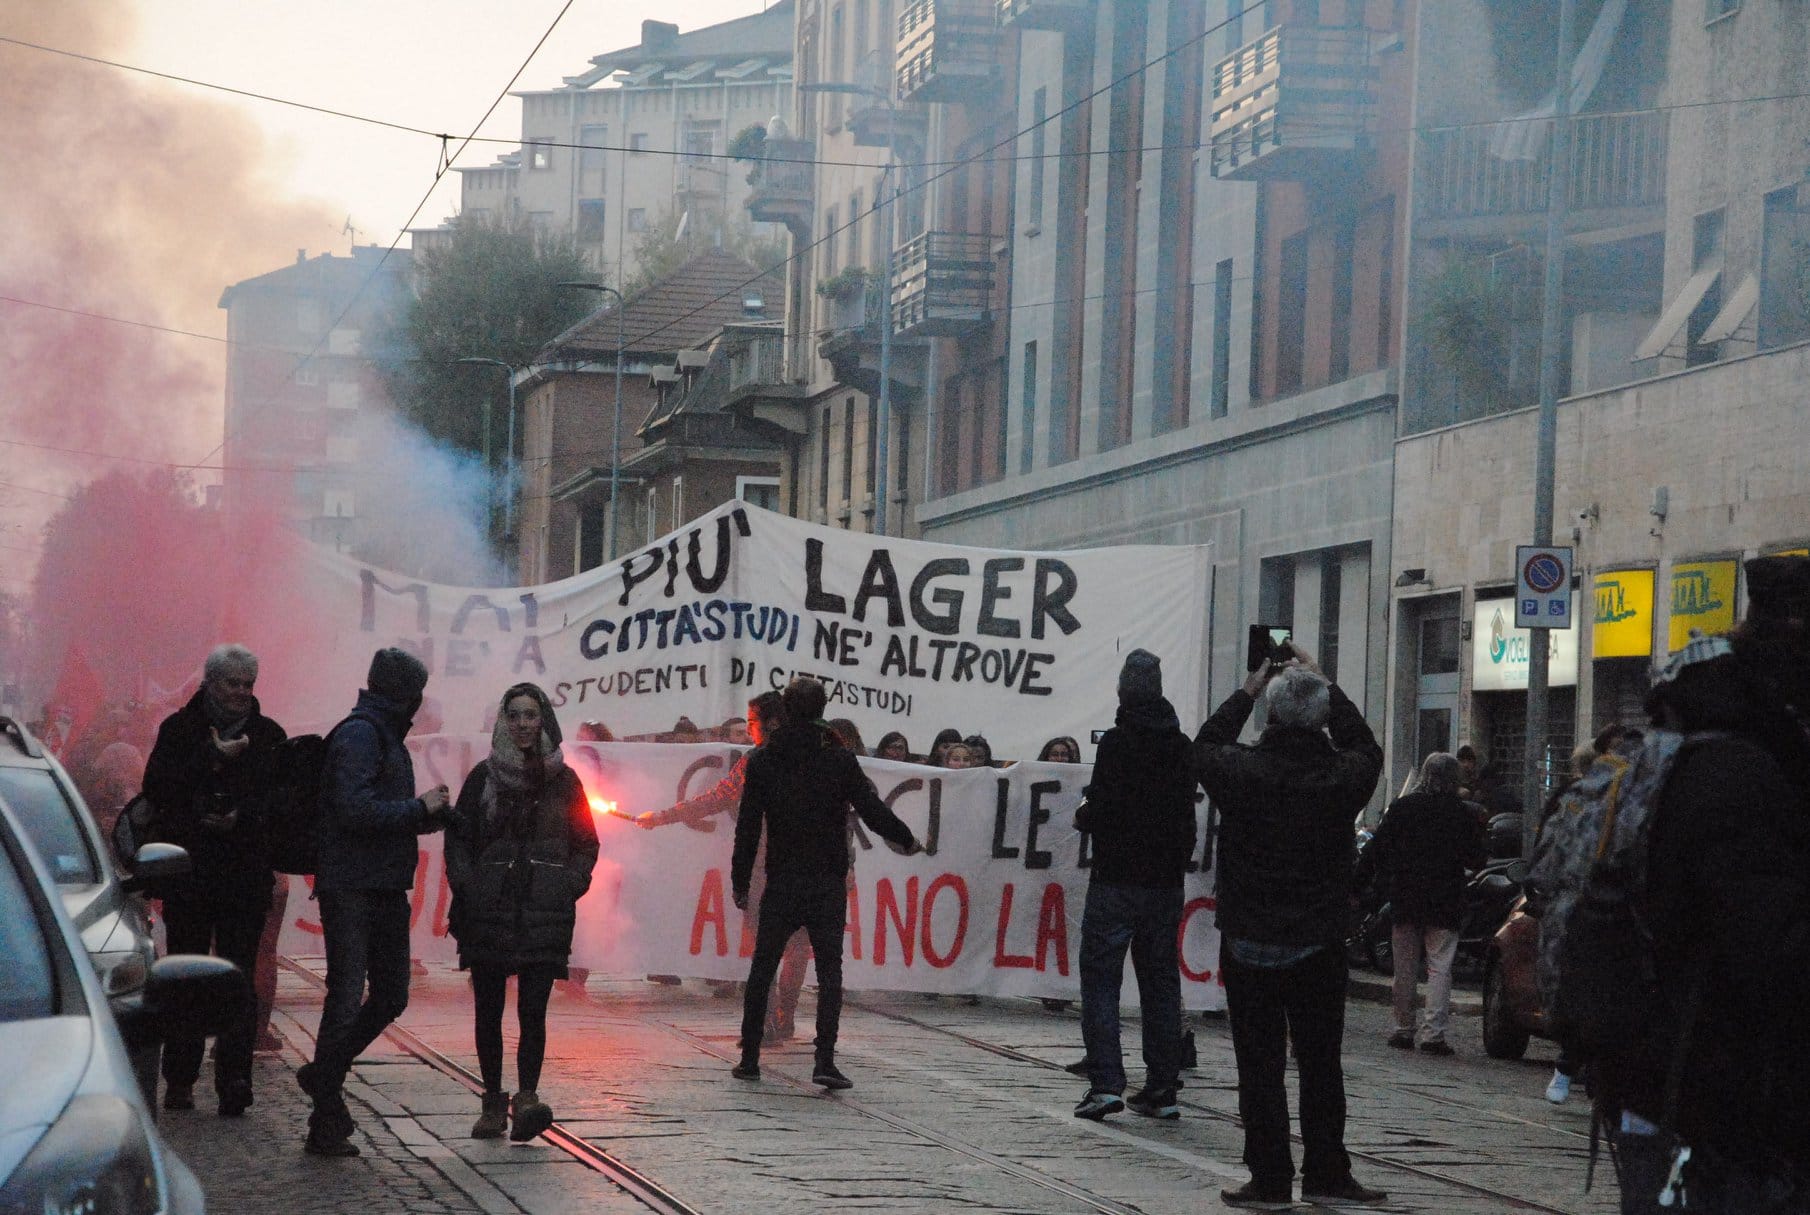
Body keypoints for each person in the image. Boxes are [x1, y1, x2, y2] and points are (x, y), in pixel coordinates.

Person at [1601, 556, 1810, 1214]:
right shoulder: (1746, 775)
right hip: (1723, 1102)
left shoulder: (1681, 755)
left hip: (1661, 1085)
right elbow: (1771, 951)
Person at [1196, 647, 1387, 1208]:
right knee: (1320, 1063)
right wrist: (1327, 682)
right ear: (1322, 717)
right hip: (1317, 940)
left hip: (1251, 937)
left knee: (1260, 1066)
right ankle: (1327, 1172)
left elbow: (1204, 743)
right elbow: (1366, 746)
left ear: (1272, 717)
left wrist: (1251, 687)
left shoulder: (1240, 771)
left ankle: (1271, 1179)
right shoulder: (1341, 777)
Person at [731, 677, 922, 1088]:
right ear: (822, 708)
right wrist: (906, 837)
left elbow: (747, 826)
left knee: (763, 965)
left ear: (785, 708)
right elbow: (871, 810)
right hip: (825, 879)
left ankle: (749, 1056)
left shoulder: (764, 759)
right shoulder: (837, 758)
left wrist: (740, 880)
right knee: (830, 972)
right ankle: (824, 1060)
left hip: (782, 877)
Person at [296, 647, 450, 1158]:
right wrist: (416, 809)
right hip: (352, 887)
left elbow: (376, 811)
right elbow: (352, 808)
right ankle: (325, 1112)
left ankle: (324, 1074)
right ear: (406, 695)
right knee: (344, 997)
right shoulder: (362, 733)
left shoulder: (382, 734)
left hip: (381, 885)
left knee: (391, 994)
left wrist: (428, 816)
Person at [444, 683, 598, 1142]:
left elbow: (586, 842)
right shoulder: (483, 778)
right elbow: (458, 840)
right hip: (489, 911)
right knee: (488, 1011)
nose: (523, 724)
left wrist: (569, 884)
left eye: (531, 715)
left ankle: (526, 1096)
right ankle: (493, 1100)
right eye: (514, 715)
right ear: (503, 721)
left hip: (543, 912)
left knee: (534, 1011)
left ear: (544, 720)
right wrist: (470, 887)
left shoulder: (565, 781)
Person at [143, 644, 286, 1116]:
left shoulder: (268, 737)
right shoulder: (179, 731)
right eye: (233, 683)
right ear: (210, 683)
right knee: (185, 974)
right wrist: (210, 760)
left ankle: (234, 1078)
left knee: (238, 979)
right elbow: (158, 792)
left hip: (243, 877)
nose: (242, 693)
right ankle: (180, 1076)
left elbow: (278, 804)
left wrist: (240, 816)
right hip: (190, 874)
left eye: (249, 684)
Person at [1070, 650, 1196, 1122]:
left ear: (1123, 689)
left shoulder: (1118, 744)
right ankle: (1162, 1086)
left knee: (1101, 980)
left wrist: (1086, 814)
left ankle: (1106, 1082)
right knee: (1161, 982)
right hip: (1165, 883)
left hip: (1117, 879)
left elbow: (1102, 807)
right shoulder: (1181, 746)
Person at [637, 692, 807, 1032]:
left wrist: (663, 816)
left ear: (770, 723)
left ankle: (770, 1019)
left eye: (753, 723)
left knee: (766, 946)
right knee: (798, 943)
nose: (750, 731)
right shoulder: (819, 757)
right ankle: (783, 1015)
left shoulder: (758, 761)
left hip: (765, 863)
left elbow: (717, 798)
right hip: (807, 863)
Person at [1360, 752, 1485, 1057]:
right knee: (1440, 967)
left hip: (1406, 896)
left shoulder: (1403, 808)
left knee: (1404, 966)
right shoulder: (1462, 812)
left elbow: (1377, 850)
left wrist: (1359, 883)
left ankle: (1403, 1029)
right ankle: (1434, 1034)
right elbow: (1477, 857)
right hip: (1445, 900)